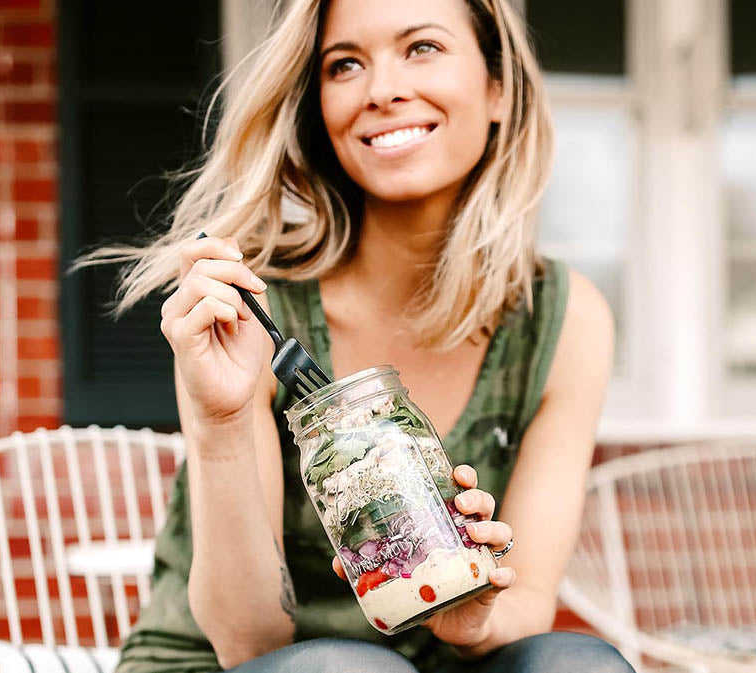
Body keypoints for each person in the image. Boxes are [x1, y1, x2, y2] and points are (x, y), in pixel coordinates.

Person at [71, 0, 629, 671]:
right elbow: (247, 641)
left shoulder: (564, 320)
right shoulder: (247, 310)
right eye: (345, 65)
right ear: (321, 111)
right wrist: (219, 422)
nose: (382, 89)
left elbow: (529, 601)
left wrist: (473, 617)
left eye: (421, 47)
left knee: (575, 663)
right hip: (233, 664)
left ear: (497, 89)